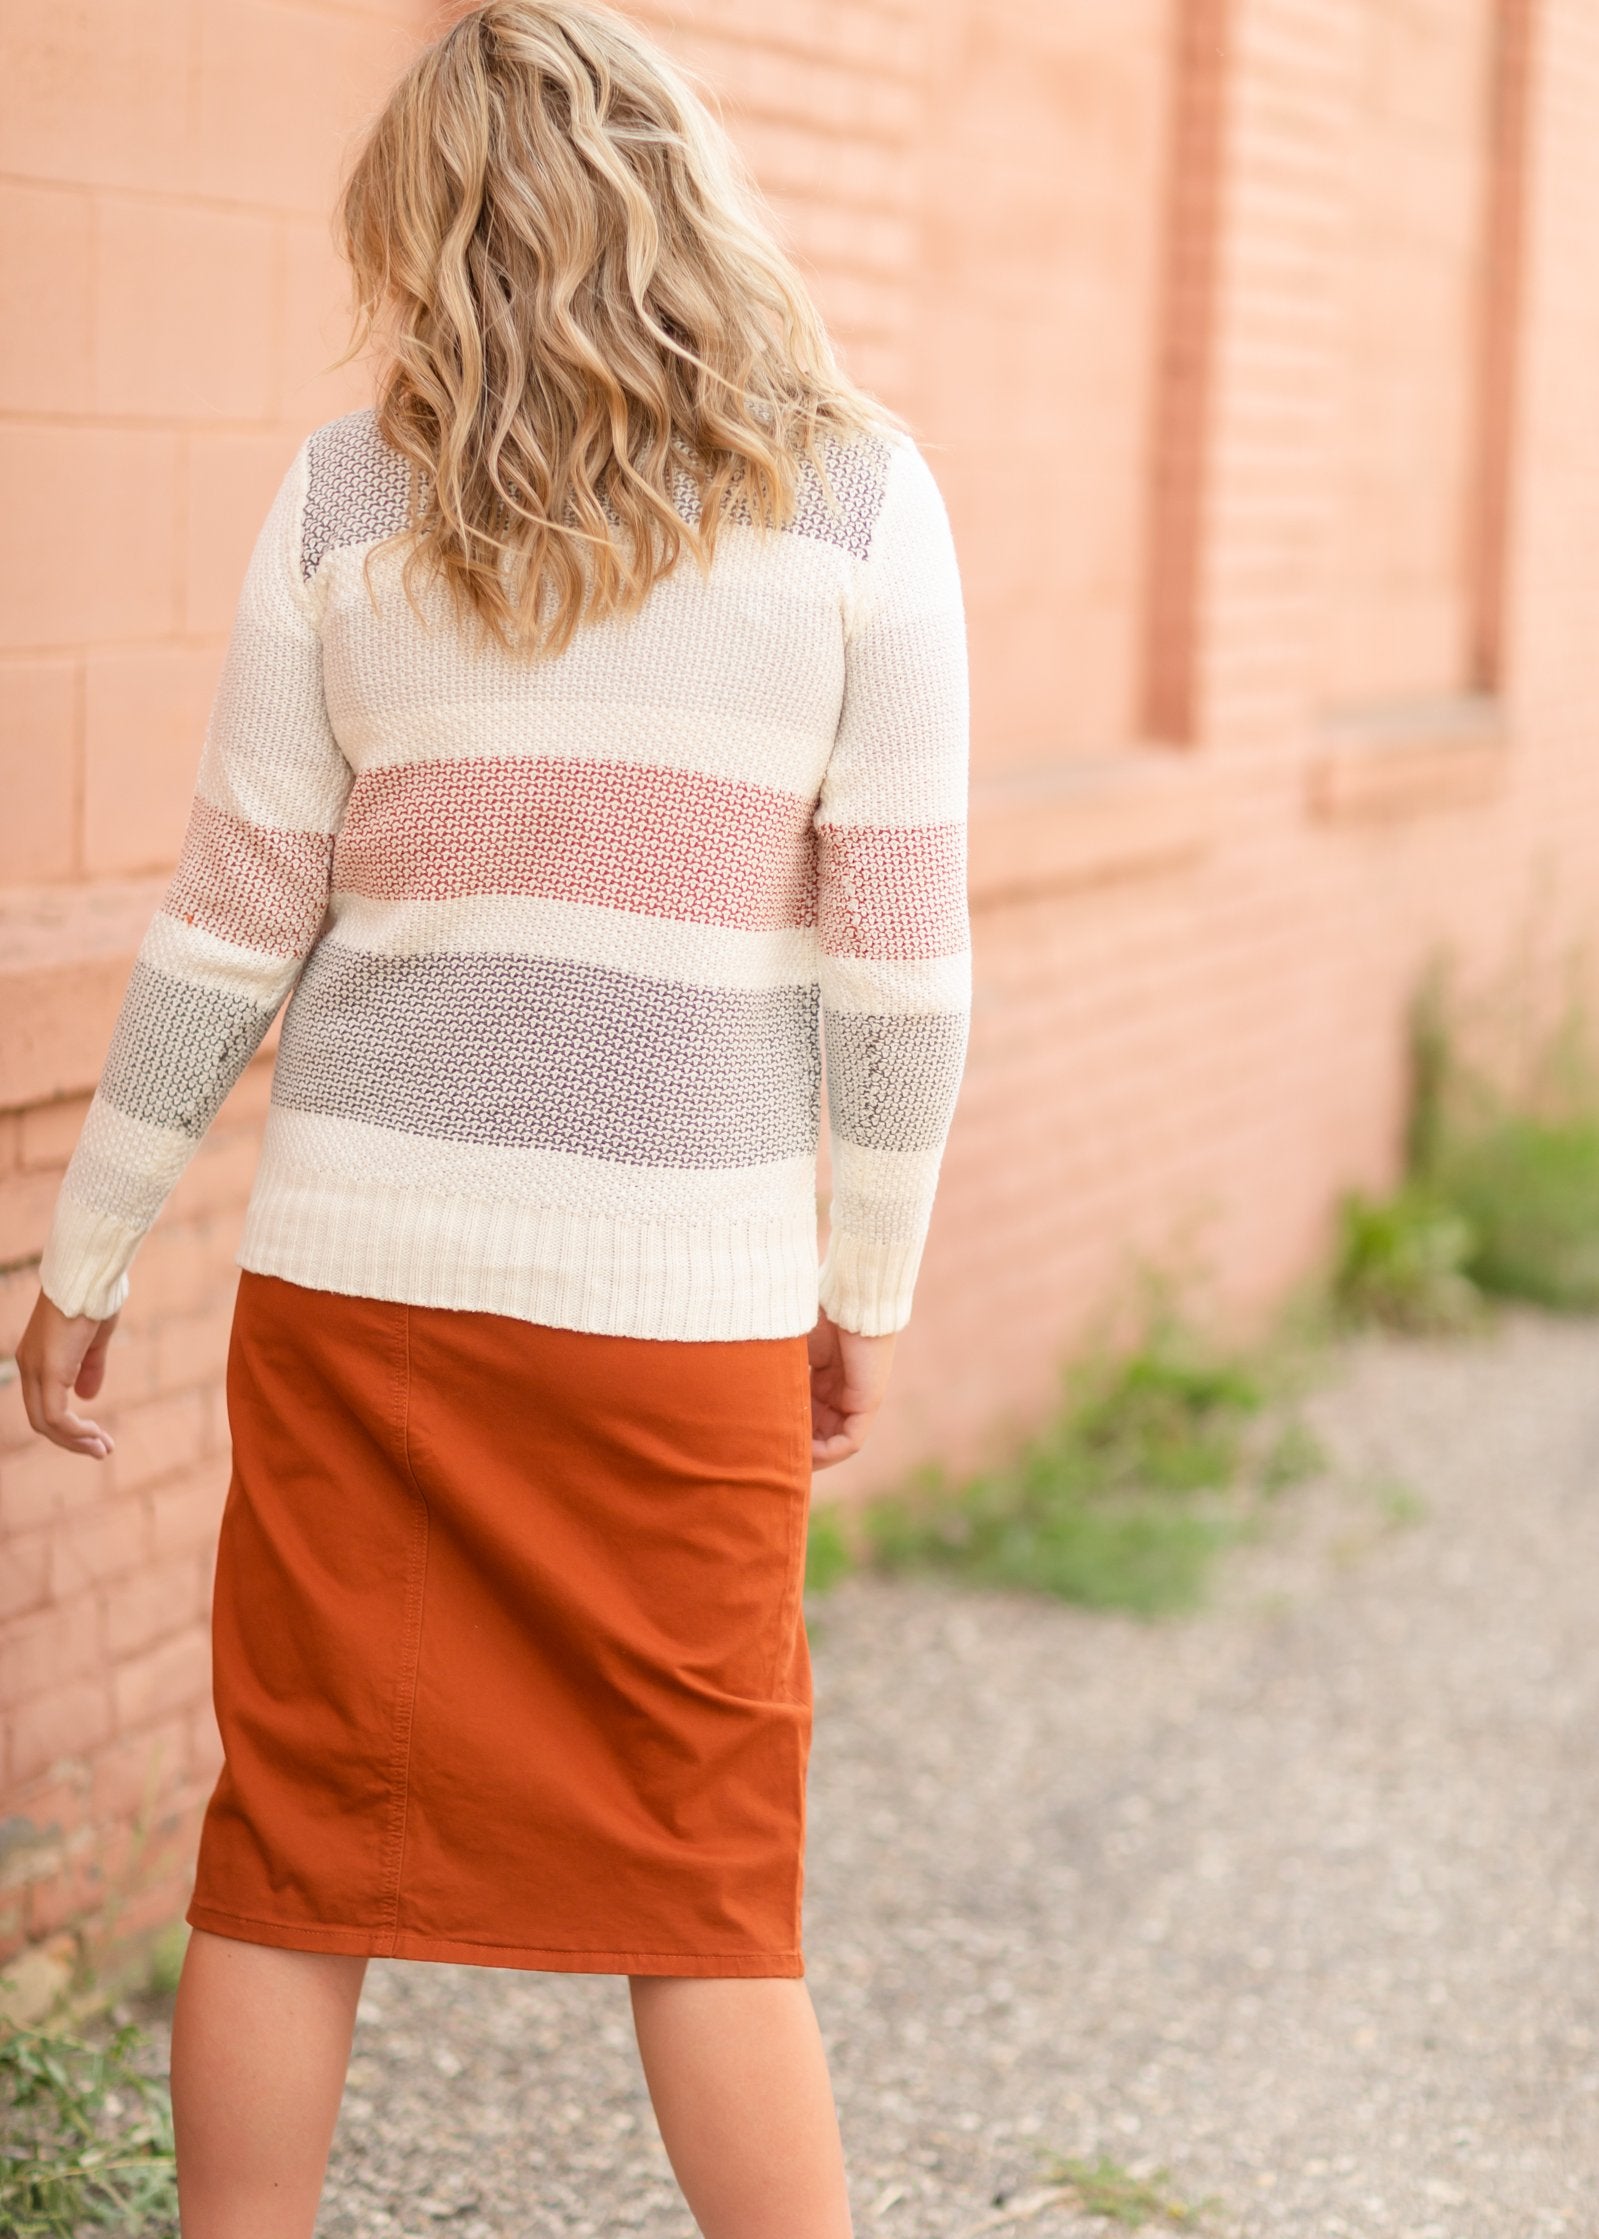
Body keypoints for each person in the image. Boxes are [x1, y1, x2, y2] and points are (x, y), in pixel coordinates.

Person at [16, 3, 970, 2232]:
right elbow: (900, 977)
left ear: (420, 242)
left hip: (365, 1297)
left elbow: (227, 922)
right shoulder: (857, 505)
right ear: (691, 191)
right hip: (681, 1313)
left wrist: (85, 1255)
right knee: (704, 1879)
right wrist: (865, 1295)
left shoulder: (350, 502)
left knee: (294, 1848)